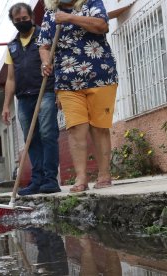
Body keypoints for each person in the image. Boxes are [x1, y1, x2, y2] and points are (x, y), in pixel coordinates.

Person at [38, 0, 118, 192]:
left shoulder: (91, 3)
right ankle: (81, 178)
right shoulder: (50, 14)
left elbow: (101, 26)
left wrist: (70, 18)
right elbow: (44, 46)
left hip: (101, 74)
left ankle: (104, 175)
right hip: (67, 81)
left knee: (99, 127)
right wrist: (45, 62)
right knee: (76, 129)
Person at [2, 2, 61, 195]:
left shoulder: (43, 37)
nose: (21, 22)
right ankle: (37, 180)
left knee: (47, 134)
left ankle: (51, 180)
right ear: (13, 22)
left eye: (24, 19)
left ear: (31, 18)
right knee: (30, 139)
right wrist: (5, 106)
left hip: (45, 92)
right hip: (23, 98)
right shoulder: (11, 47)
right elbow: (10, 79)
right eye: (17, 20)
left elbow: (56, 64)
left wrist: (60, 91)